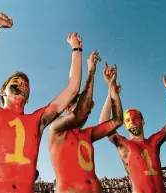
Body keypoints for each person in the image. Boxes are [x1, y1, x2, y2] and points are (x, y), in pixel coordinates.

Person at [0, 12, 83, 193]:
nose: (22, 84)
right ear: (3, 91)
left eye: (26, 84)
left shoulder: (37, 121)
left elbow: (72, 89)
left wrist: (76, 50)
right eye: (16, 81)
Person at [48, 58, 123, 193]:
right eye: (84, 108)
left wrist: (112, 88)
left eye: (89, 112)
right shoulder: (56, 129)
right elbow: (81, 112)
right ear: (69, 108)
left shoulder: (87, 134)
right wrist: (91, 72)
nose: (87, 114)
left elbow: (117, 121)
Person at [99, 71, 166, 193]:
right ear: (125, 125)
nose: (132, 121)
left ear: (143, 121)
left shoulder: (154, 141)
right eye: (127, 120)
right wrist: (111, 90)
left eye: (135, 118)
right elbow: (104, 124)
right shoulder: (124, 144)